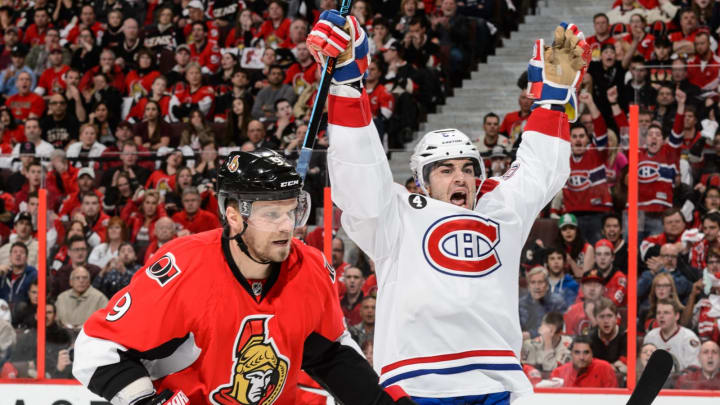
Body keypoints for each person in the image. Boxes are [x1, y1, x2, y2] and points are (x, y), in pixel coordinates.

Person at [313, 11, 588, 401]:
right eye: (444, 170)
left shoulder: (500, 211)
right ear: (422, 183)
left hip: (497, 384)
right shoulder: (398, 216)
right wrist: (346, 83)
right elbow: (360, 180)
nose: (459, 178)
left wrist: (553, 103)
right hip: (415, 385)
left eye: (466, 169)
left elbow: (540, 169)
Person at [72, 149, 416, 404]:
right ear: (233, 216)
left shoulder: (310, 268)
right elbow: (97, 348)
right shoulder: (183, 267)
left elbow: (331, 354)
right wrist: (144, 401)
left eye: (292, 210)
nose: (287, 226)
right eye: (271, 213)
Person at [643, 298, 701, 371]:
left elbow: (694, 369)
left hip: (681, 380)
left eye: (666, 313)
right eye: (658, 313)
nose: (661, 316)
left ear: (677, 316)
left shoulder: (689, 337)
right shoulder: (650, 336)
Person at [550, 335, 618, 387]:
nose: (581, 357)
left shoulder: (605, 369)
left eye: (586, 352)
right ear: (571, 354)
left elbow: (614, 399)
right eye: (577, 352)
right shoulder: (558, 373)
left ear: (592, 354)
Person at [519, 266, 567, 339]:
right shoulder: (520, 304)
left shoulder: (557, 302)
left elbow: (555, 328)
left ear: (547, 285)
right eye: (533, 282)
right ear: (528, 286)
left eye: (540, 282)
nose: (537, 287)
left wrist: (531, 334)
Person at [588, 297, 627, 377]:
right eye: (602, 317)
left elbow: (623, 364)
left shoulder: (625, 335)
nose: (606, 321)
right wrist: (609, 367)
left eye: (609, 316)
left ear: (616, 318)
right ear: (596, 319)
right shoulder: (591, 337)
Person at [565, 269, 606, 336]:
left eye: (596, 285)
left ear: (603, 289)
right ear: (582, 288)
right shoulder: (571, 311)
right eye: (588, 284)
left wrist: (591, 317)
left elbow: (608, 341)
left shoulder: (610, 310)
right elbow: (567, 340)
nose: (592, 288)